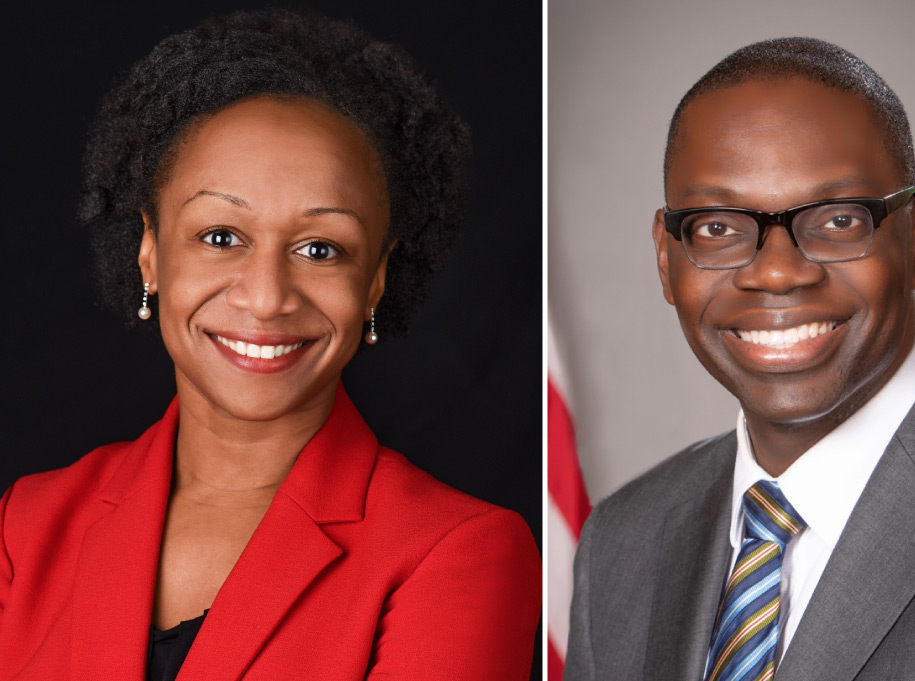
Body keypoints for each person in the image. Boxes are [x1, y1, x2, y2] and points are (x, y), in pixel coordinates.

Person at [0, 9, 540, 680]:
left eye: (321, 248)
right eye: (221, 236)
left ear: (373, 280)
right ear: (149, 251)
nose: (266, 296)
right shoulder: (27, 523)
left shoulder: (459, 553)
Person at [564, 37, 915, 681]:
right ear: (666, 258)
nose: (778, 273)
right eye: (719, 227)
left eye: (839, 219)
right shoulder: (620, 538)